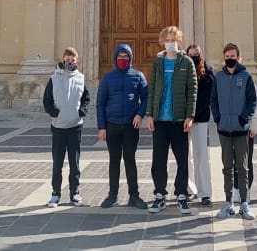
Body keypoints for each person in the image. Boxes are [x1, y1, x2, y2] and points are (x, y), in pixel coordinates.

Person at [145, 25, 197, 215]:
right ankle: (159, 195)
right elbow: (152, 89)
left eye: (173, 40)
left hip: (179, 120)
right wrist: (150, 114)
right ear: (162, 42)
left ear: (179, 41)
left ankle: (181, 195)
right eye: (167, 40)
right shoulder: (158, 63)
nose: (170, 43)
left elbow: (192, 90)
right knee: (159, 160)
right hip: (160, 120)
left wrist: (190, 115)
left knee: (182, 160)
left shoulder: (187, 62)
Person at [96, 44, 148, 209]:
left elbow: (146, 98)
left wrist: (140, 114)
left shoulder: (138, 76)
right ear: (115, 58)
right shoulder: (107, 78)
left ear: (130, 58)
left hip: (130, 126)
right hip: (112, 126)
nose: (123, 59)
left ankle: (134, 195)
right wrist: (101, 127)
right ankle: (113, 195)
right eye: (120, 57)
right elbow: (100, 103)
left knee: (130, 160)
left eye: (126, 57)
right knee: (114, 160)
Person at [211, 42, 257, 221]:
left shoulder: (246, 77)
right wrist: (218, 118)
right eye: (227, 56)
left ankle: (244, 203)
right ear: (224, 58)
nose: (230, 59)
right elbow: (213, 100)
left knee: (242, 168)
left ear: (238, 58)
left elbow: (252, 101)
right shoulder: (219, 77)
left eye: (233, 56)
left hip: (240, 130)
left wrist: (244, 119)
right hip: (224, 129)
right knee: (227, 168)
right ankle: (228, 203)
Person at [42, 47, 90, 207]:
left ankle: (74, 193)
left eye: (72, 60)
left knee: (74, 163)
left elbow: (86, 99)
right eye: (67, 59)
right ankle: (55, 193)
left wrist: (81, 112)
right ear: (63, 60)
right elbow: (47, 100)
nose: (70, 62)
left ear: (77, 61)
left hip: (75, 127)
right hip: (58, 127)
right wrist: (54, 113)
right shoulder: (54, 78)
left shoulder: (81, 79)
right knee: (57, 163)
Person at [184, 44, 214, 206]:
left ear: (200, 55)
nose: (193, 57)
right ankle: (190, 189)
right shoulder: (182, 70)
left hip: (199, 118)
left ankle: (205, 192)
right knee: (185, 155)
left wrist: (192, 115)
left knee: (201, 154)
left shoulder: (207, 72)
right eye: (190, 54)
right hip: (182, 119)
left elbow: (206, 97)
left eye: (195, 54)